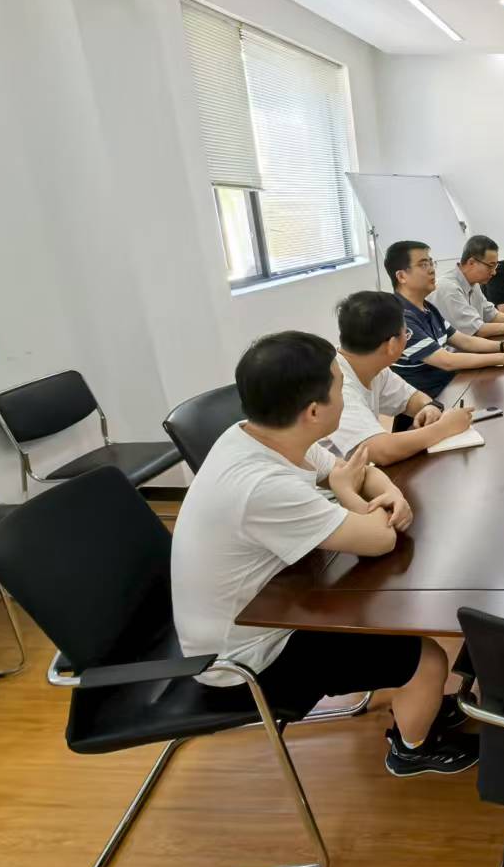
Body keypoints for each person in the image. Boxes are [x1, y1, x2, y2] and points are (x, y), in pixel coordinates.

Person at [171, 330, 478, 777]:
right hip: (248, 660)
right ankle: (412, 749)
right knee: (427, 654)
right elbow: (380, 539)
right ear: (314, 412)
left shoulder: (260, 436)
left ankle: (424, 704)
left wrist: (387, 494)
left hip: (266, 607)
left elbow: (357, 470)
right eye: (339, 386)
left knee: (391, 605)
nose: (344, 393)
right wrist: (355, 497)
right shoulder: (262, 486)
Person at [328, 291, 477, 464]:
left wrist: (429, 407)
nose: (407, 339)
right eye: (406, 334)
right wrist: (444, 427)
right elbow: (381, 451)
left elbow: (410, 398)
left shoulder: (371, 366)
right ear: (392, 345)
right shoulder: (336, 384)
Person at [386, 240, 504, 400]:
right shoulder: (401, 318)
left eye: (431, 263)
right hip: (428, 401)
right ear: (402, 276)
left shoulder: (427, 308)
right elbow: (447, 361)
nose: (432, 270)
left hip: (448, 385)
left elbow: (464, 341)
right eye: (423, 265)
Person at [431, 235, 504, 340]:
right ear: (471, 262)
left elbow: (492, 315)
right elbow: (477, 330)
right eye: (490, 266)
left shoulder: (474, 283)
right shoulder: (448, 288)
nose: (494, 272)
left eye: (495, 266)